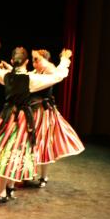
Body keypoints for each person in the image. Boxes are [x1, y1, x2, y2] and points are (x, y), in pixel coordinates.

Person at [0, 37, 72, 204]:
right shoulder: (31, 80)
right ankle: (5, 190)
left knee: (6, 151)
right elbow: (58, 76)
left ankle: (7, 188)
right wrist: (65, 60)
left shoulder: (6, 76)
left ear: (12, 60)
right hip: (22, 119)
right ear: (26, 62)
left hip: (7, 117)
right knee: (15, 151)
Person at [28, 49, 85, 187]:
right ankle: (30, 172)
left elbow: (59, 72)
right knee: (30, 144)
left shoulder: (50, 73)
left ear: (45, 60)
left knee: (44, 143)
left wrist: (64, 59)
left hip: (44, 113)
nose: (34, 62)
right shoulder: (34, 74)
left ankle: (43, 176)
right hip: (31, 112)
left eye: (37, 59)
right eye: (33, 59)